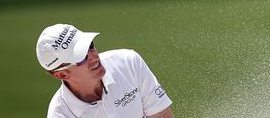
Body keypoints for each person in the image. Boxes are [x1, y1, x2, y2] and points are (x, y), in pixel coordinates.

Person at [35, 23, 174, 118]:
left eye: (90, 45)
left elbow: (162, 115)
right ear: (62, 74)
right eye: (81, 56)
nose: (94, 56)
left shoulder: (128, 62)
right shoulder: (61, 114)